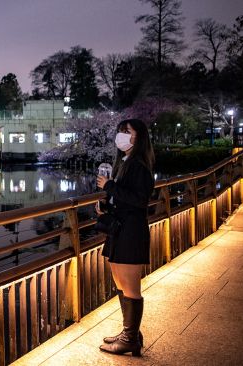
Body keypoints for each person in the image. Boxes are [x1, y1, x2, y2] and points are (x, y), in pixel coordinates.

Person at [95, 118, 155, 357]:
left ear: (137, 137)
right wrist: (107, 207)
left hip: (131, 232)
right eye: (119, 131)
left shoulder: (139, 166)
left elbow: (139, 200)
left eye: (126, 131)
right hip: (121, 229)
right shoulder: (125, 163)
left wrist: (109, 186)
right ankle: (129, 332)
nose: (120, 136)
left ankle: (130, 339)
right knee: (120, 283)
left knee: (130, 286)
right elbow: (125, 199)